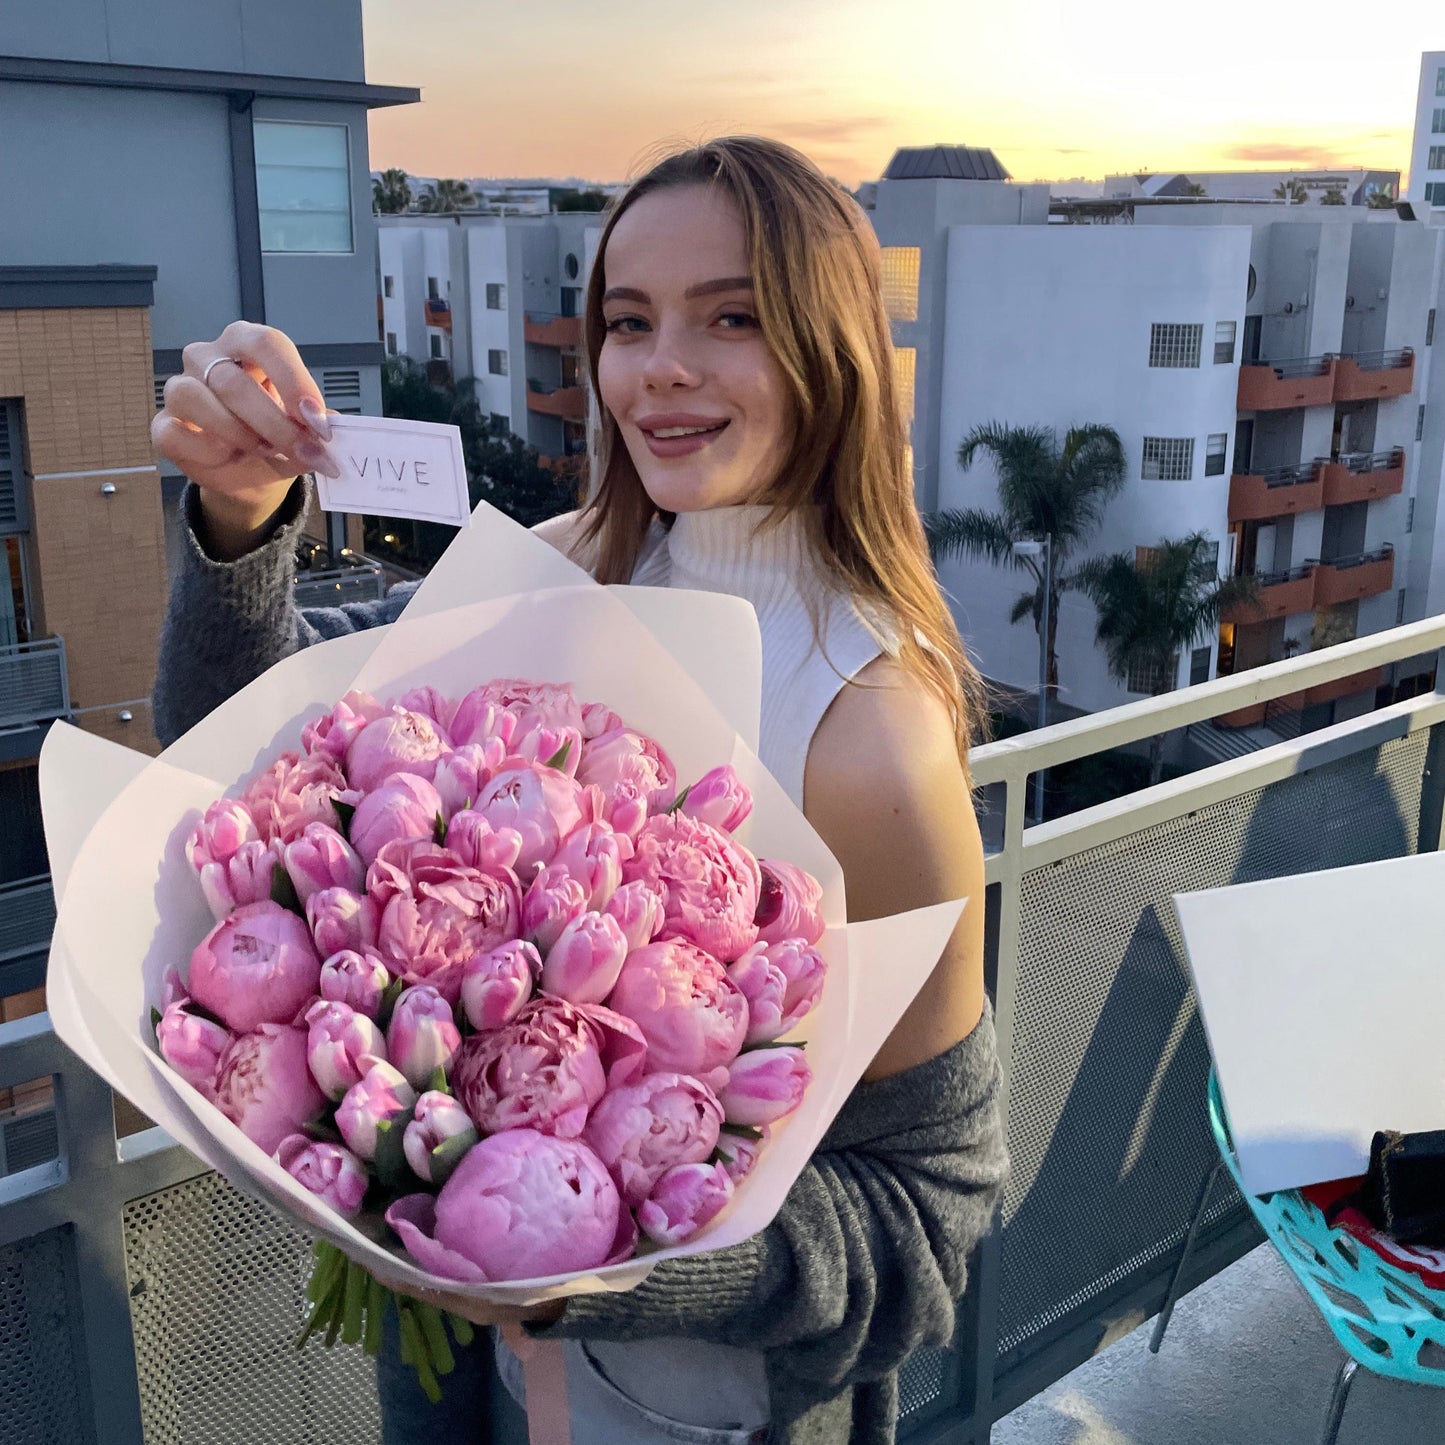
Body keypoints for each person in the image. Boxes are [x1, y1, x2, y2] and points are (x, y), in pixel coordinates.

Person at [151, 135, 1008, 1445]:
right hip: (474, 1401)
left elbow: (927, 1220)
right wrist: (241, 518)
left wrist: (615, 1256)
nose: (660, 364)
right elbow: (252, 768)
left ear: (832, 349)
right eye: (628, 320)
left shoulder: (870, 736)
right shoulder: (563, 574)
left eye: (732, 317)